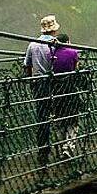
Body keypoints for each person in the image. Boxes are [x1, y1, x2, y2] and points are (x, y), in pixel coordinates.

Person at [24, 15, 59, 165]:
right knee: (60, 114)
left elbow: (27, 66)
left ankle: (43, 150)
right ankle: (63, 147)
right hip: (55, 83)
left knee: (42, 117)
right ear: (53, 31)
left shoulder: (32, 45)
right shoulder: (56, 44)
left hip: (38, 84)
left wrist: (31, 81)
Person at [51, 33, 81, 159]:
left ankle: (61, 144)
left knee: (60, 119)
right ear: (68, 42)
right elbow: (76, 70)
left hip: (56, 91)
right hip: (70, 90)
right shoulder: (73, 53)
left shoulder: (51, 55)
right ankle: (68, 146)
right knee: (73, 119)